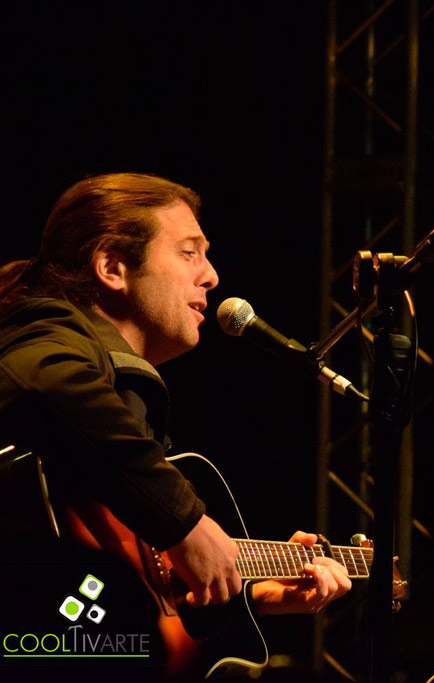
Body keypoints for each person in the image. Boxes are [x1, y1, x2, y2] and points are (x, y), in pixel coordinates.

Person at [0, 174, 350, 665]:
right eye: (189, 252)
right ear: (112, 266)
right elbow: (41, 383)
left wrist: (252, 598)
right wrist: (187, 525)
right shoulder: (47, 336)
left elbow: (104, 616)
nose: (211, 276)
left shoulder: (115, 393)